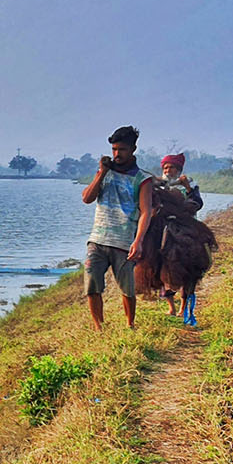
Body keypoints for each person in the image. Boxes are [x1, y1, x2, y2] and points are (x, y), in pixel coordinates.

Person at [80, 125, 156, 330]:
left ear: (132, 149)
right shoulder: (105, 172)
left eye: (121, 149)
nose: (116, 154)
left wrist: (138, 241)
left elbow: (146, 212)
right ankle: (99, 328)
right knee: (92, 286)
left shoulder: (143, 179)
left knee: (127, 289)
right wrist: (101, 173)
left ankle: (130, 325)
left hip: (124, 241)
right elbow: (87, 198)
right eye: (114, 149)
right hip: (97, 239)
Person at [154, 153, 204, 316]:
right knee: (160, 264)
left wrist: (187, 188)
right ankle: (171, 306)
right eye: (166, 167)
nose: (168, 170)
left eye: (172, 167)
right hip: (164, 227)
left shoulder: (189, 184)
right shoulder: (159, 184)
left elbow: (198, 204)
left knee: (188, 265)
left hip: (185, 227)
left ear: (179, 169)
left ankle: (183, 306)